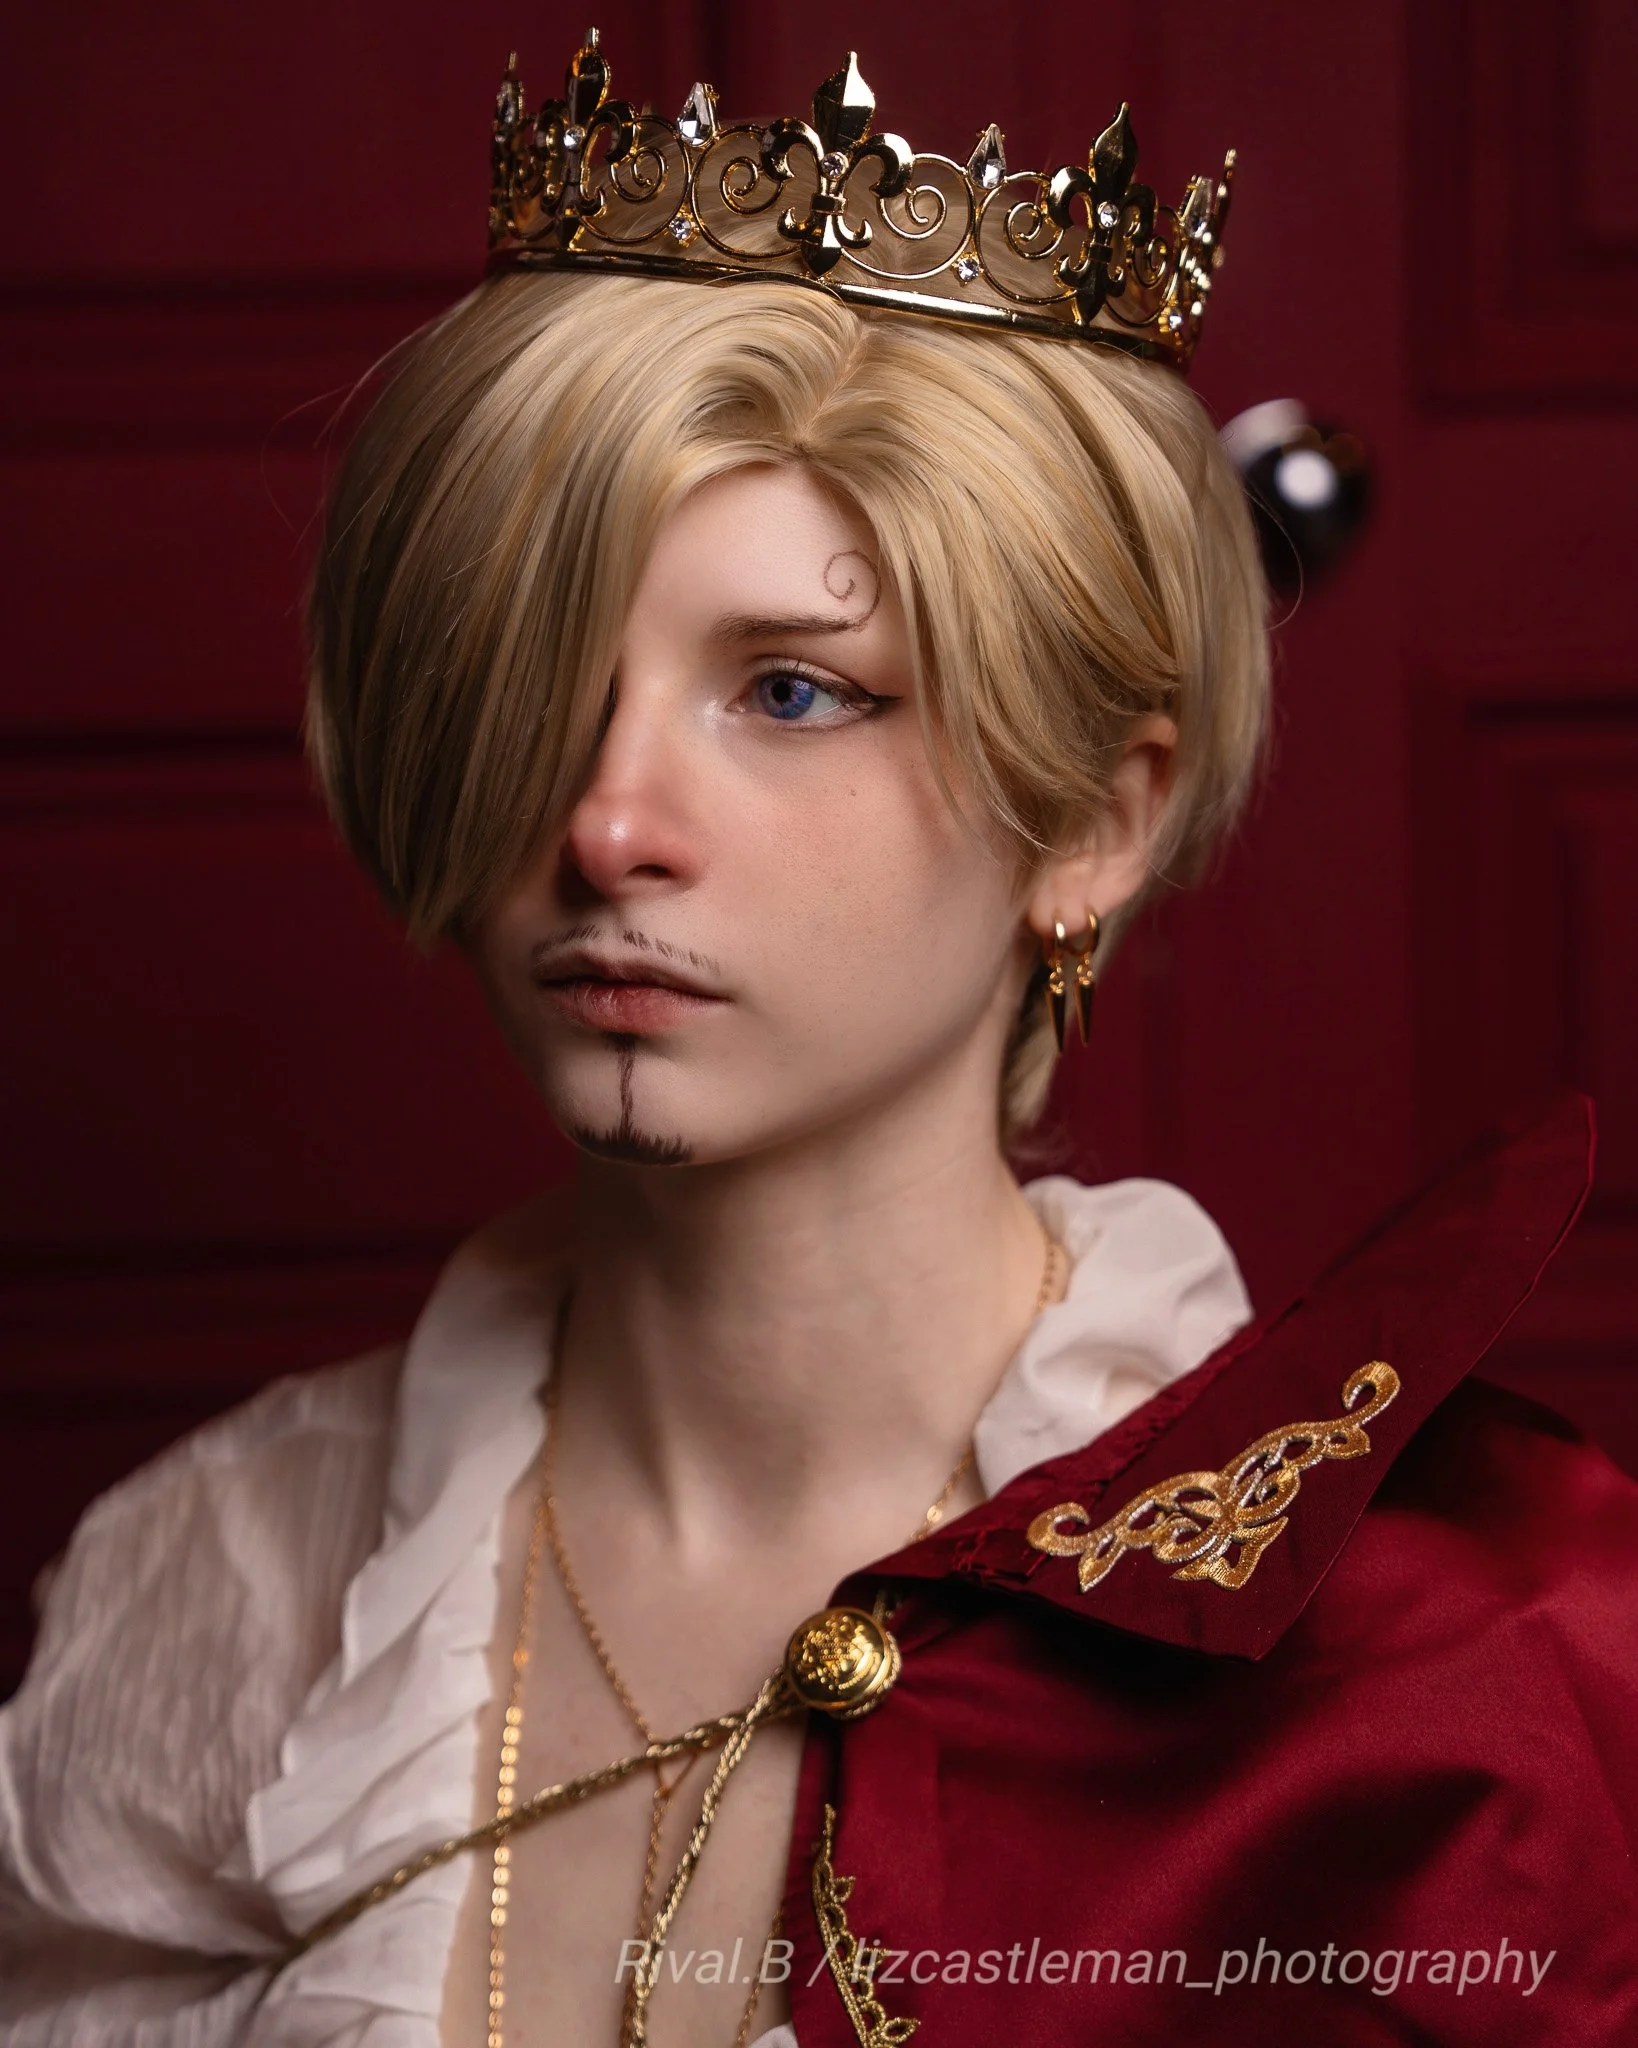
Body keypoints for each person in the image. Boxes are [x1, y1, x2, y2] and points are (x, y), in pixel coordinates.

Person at [3, 31, 1635, 2048]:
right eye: (533, 679)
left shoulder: (1431, 1648)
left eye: (790, 691)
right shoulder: (218, 1583)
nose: (608, 823)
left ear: (1094, 820)